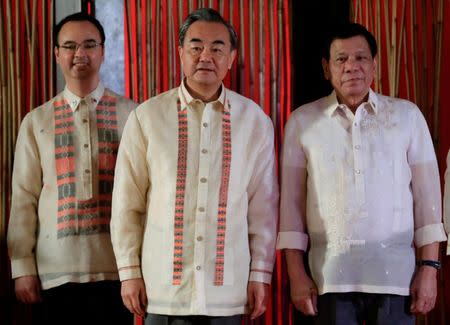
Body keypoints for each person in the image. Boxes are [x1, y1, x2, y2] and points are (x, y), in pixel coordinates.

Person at [110, 7, 278, 325]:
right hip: (163, 292)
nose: (206, 56)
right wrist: (129, 272)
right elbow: (126, 206)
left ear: (231, 57)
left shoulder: (254, 121)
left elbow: (263, 210)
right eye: (196, 46)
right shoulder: (146, 118)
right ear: (180, 53)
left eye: (217, 48)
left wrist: (260, 273)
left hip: (227, 292)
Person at [277, 23, 446, 324]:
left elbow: (427, 200)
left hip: (397, 278)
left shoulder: (406, 116)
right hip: (329, 278)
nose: (352, 67)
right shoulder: (303, 122)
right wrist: (296, 273)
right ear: (326, 68)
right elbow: (290, 207)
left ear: (375, 65)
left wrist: (429, 268)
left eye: (361, 58)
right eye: (341, 59)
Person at [7, 12, 137, 325]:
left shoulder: (133, 115)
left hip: (117, 271)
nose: (80, 53)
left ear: (103, 51)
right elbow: (24, 198)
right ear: (57, 54)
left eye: (89, 45)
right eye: (69, 46)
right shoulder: (36, 121)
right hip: (55, 272)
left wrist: (138, 267)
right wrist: (22, 266)